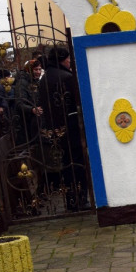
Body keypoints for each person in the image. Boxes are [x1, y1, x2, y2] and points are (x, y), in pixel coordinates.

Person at [37, 45, 89, 210]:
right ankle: (80, 200)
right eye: (67, 59)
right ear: (61, 59)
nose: (69, 62)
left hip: (53, 129)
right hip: (71, 127)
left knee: (66, 164)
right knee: (77, 164)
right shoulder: (66, 77)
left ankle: (71, 199)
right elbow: (77, 102)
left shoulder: (44, 79)